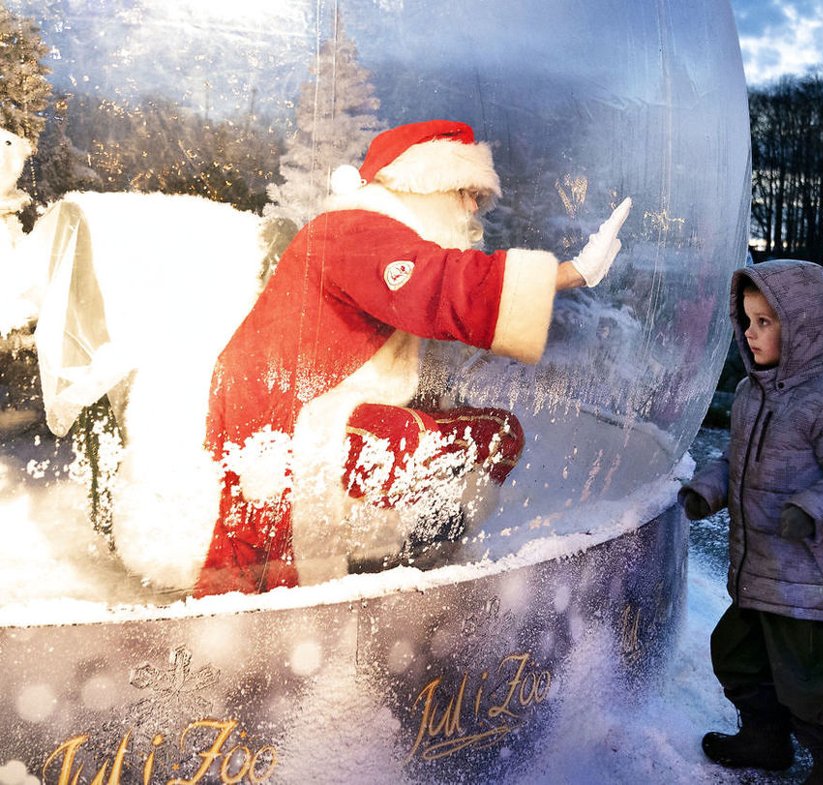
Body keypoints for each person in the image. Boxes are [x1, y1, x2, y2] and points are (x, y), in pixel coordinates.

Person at [195, 119, 632, 597]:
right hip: (282, 419)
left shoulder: (376, 233)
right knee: (432, 440)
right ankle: (406, 552)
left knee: (495, 435)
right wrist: (570, 273)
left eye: (479, 200)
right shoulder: (355, 231)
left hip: (320, 407)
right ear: (426, 186)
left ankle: (422, 543)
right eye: (466, 193)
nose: (473, 209)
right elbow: (438, 284)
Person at [679, 259, 823, 784]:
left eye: (765, 322)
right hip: (759, 573)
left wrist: (811, 508)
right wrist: (709, 488)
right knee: (738, 658)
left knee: (811, 686)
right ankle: (764, 740)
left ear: (804, 327)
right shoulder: (753, 394)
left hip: (813, 583)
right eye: (746, 321)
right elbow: (739, 462)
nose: (749, 334)